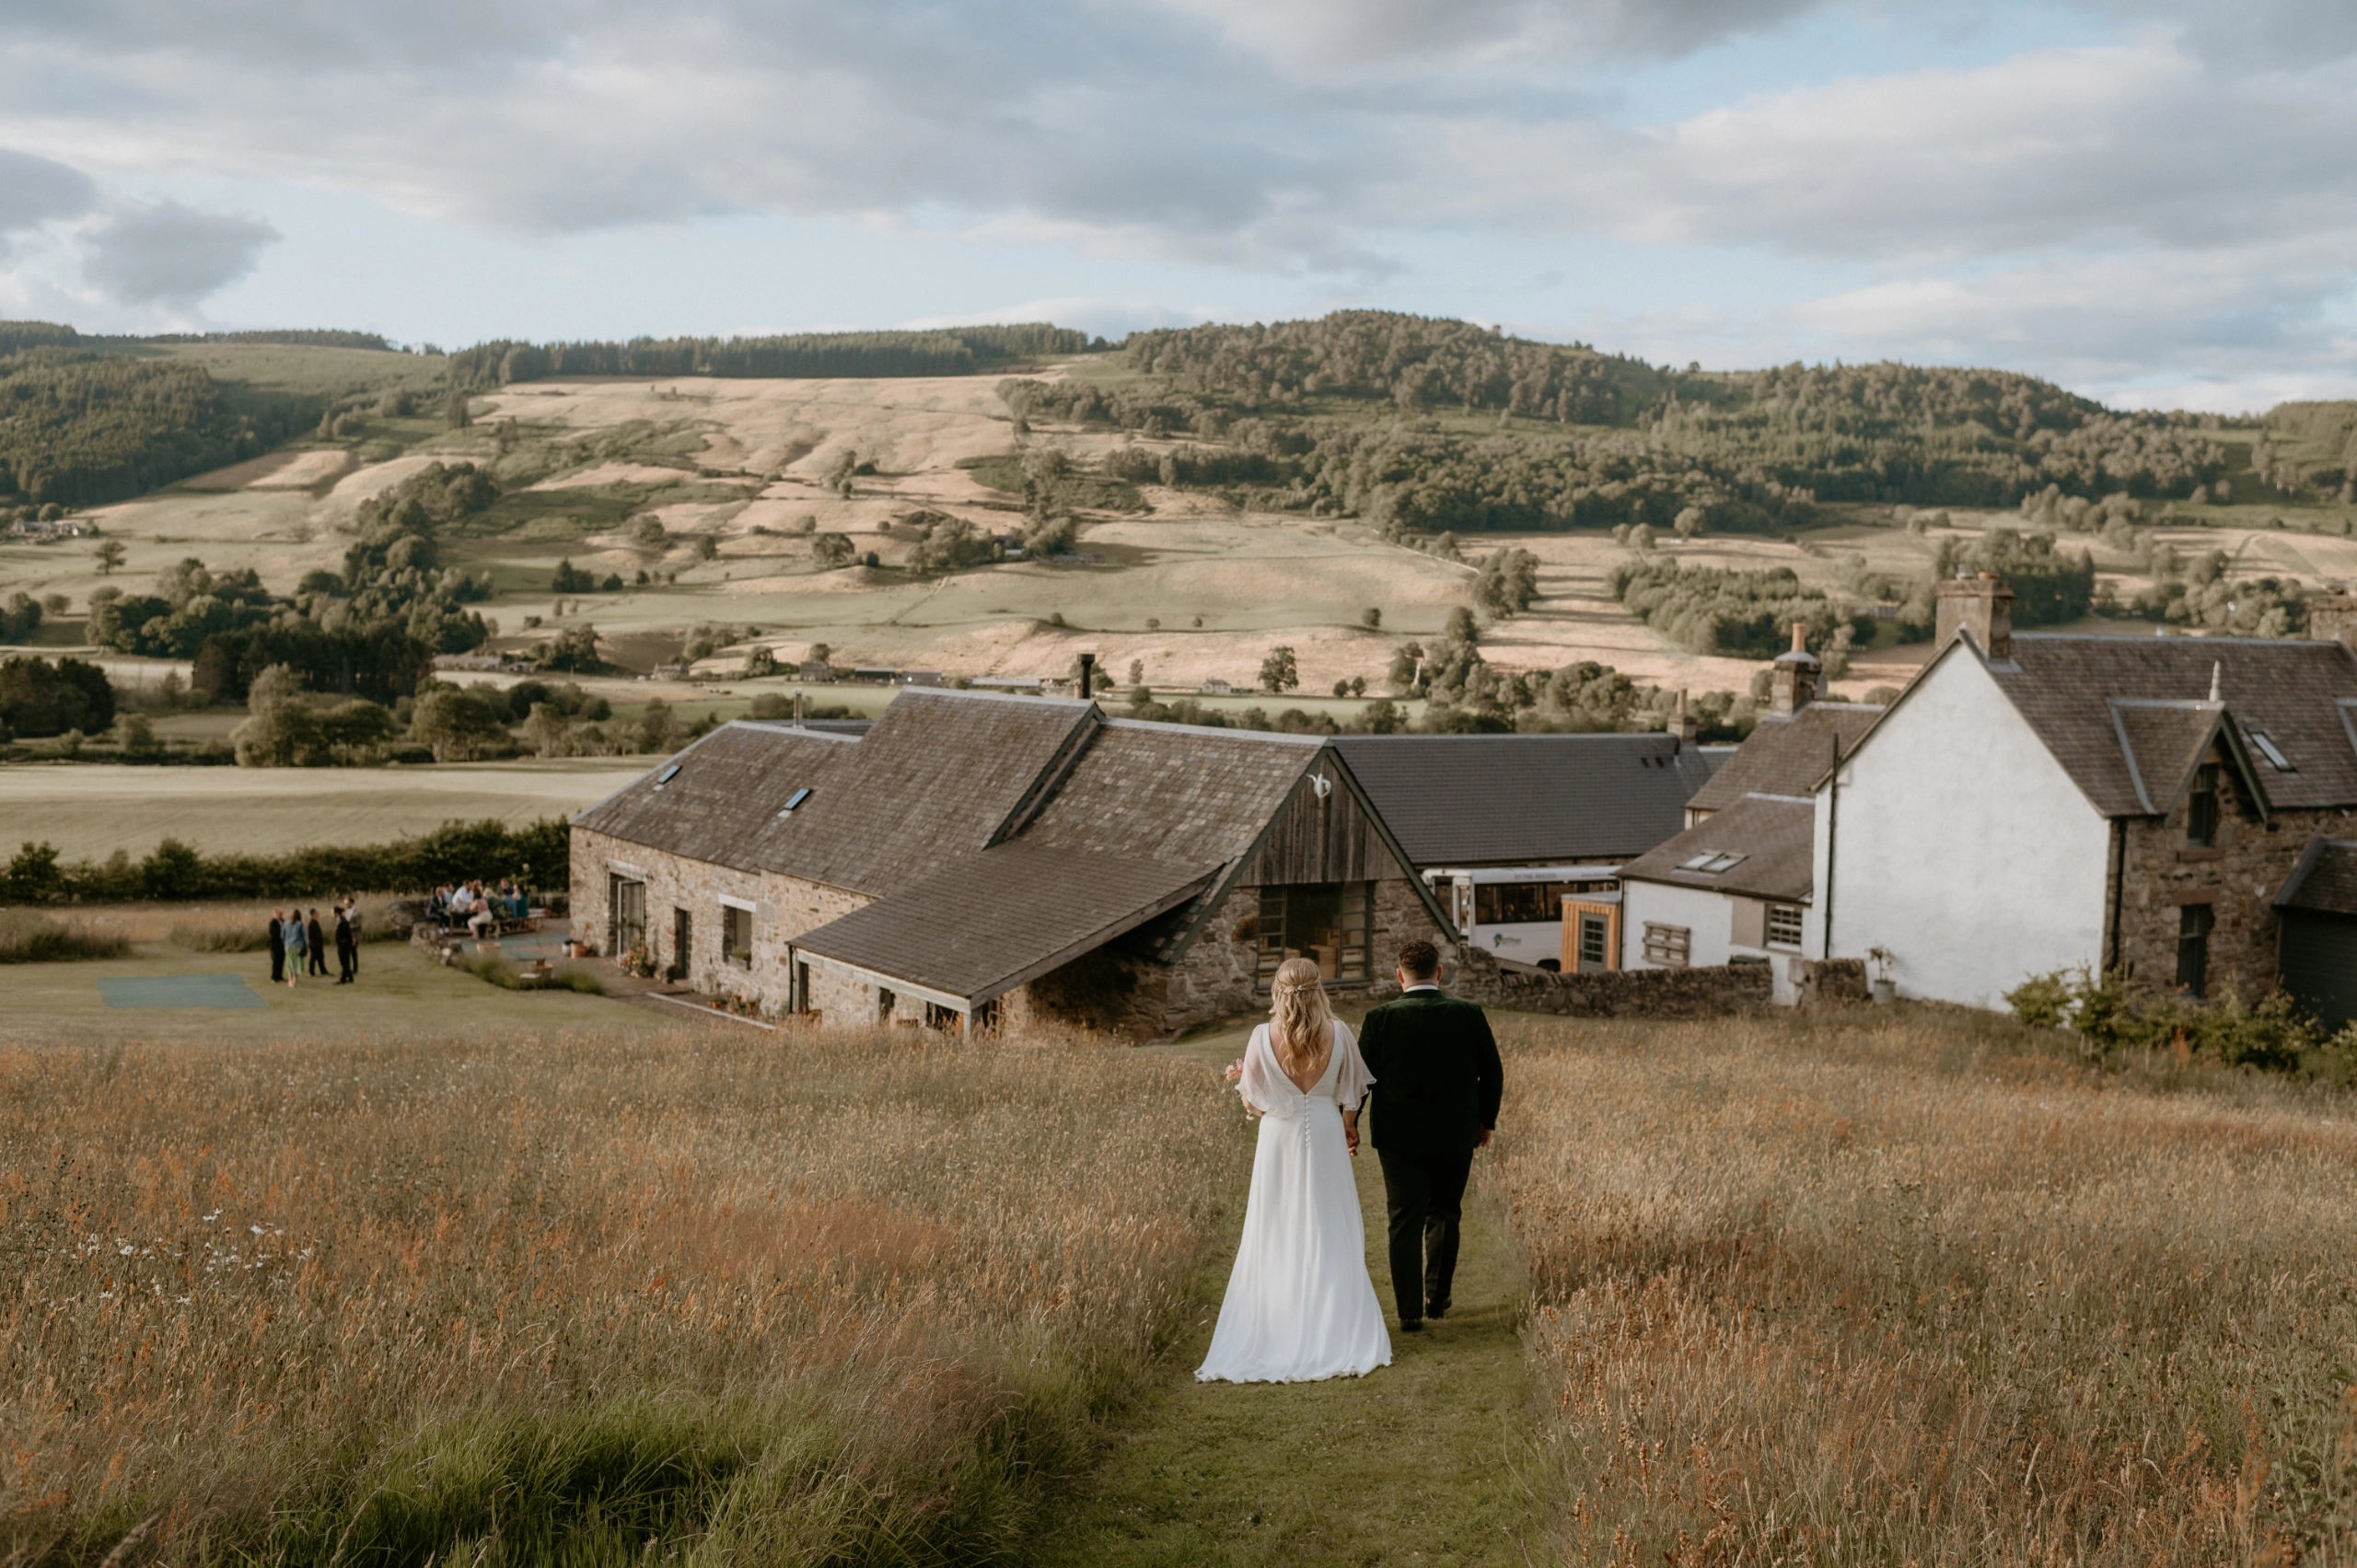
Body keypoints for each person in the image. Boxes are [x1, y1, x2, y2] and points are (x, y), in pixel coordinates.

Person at [1196, 957, 1391, 1383]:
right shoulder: (1339, 1032)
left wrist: (1258, 1089)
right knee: (1328, 1222)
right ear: (1319, 989)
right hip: (1323, 1131)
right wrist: (1347, 1123)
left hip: (1279, 1138)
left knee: (1277, 1225)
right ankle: (1334, 1324)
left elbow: (1254, 1101)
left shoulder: (1260, 1036)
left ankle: (1277, 1322)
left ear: (1278, 993)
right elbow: (1355, 1088)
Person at [1354, 938, 1504, 1333]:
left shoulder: (1379, 1019)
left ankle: (1408, 1313)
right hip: (1456, 1134)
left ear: (1399, 975)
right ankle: (1437, 1299)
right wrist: (1485, 1121)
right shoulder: (1468, 1014)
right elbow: (1492, 1072)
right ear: (1439, 973)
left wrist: (1349, 1121)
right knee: (1445, 1212)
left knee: (1403, 1220)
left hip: (1397, 1138)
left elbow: (1361, 1081)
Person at [280, 907, 308, 988]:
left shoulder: (286, 923)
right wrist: (306, 945)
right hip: (297, 946)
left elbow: (282, 935)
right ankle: (294, 981)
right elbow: (305, 936)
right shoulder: (300, 924)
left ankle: (290, 981)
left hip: (288, 945)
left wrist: (285, 942)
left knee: (289, 963)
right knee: (297, 964)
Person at [333, 904, 356, 984]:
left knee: (345, 961)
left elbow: (347, 932)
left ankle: (343, 979)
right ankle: (350, 977)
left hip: (344, 944)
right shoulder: (338, 920)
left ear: (336, 913)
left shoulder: (343, 921)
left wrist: (346, 941)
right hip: (341, 944)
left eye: (333, 912)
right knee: (343, 961)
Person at [341, 896, 362, 980]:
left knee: (353, 952)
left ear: (352, 903)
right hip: (347, 935)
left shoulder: (357, 913)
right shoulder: (346, 912)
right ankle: (347, 969)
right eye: (345, 903)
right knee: (347, 953)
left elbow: (358, 925)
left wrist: (349, 926)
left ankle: (355, 969)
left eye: (347, 903)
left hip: (355, 935)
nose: (345, 904)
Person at [306, 908, 328, 978]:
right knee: (313, 958)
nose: (317, 915)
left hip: (319, 944)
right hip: (314, 944)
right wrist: (313, 944)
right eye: (316, 913)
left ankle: (323, 970)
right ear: (313, 915)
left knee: (320, 958)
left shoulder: (316, 922)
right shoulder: (311, 924)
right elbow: (311, 936)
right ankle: (311, 972)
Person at [266, 908, 286, 985]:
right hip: (275, 944)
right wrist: (281, 930)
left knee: (281, 960)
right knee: (276, 961)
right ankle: (274, 977)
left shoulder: (283, 921)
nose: (281, 915)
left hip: (282, 944)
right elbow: (273, 932)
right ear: (275, 914)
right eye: (279, 914)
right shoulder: (273, 922)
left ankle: (280, 975)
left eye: (281, 914)